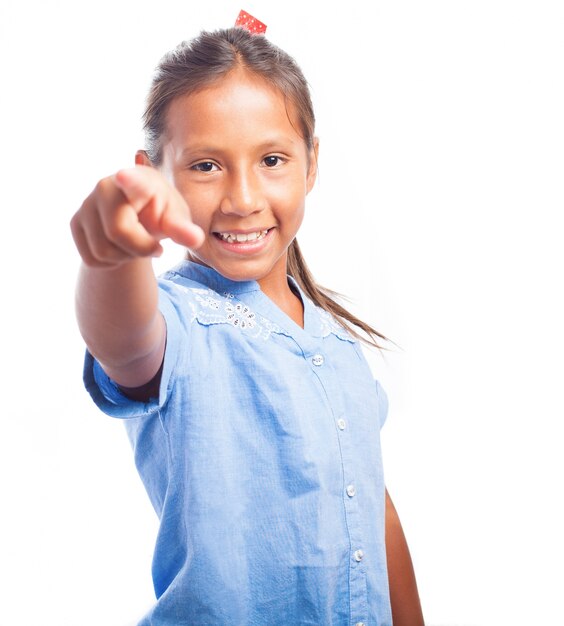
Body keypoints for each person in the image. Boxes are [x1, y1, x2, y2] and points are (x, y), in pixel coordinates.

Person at [71, 22, 424, 626]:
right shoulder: (180, 323)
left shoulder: (337, 345)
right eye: (206, 165)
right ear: (153, 172)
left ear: (312, 163)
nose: (241, 197)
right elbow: (124, 343)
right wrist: (113, 253)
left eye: (272, 160)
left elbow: (372, 507)